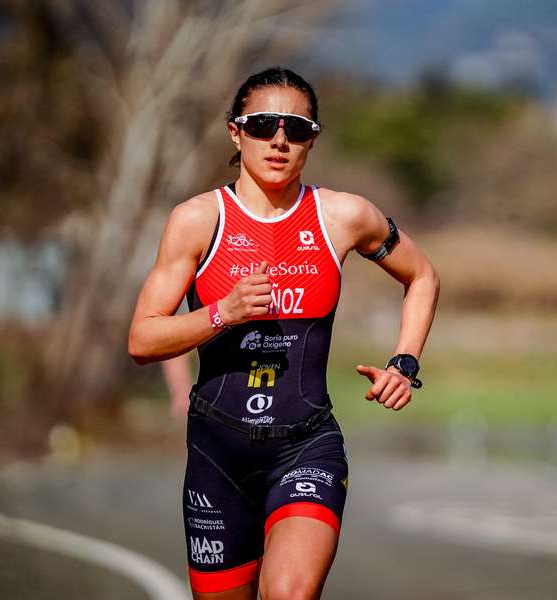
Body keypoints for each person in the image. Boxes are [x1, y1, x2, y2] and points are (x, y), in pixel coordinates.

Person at [127, 67, 440, 600]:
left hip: (305, 446)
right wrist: (222, 313)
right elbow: (142, 339)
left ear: (312, 140)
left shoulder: (343, 215)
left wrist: (404, 362)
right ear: (235, 132)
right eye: (262, 125)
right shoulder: (198, 220)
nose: (278, 140)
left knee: (290, 593)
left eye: (295, 128)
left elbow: (422, 276)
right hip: (218, 453)